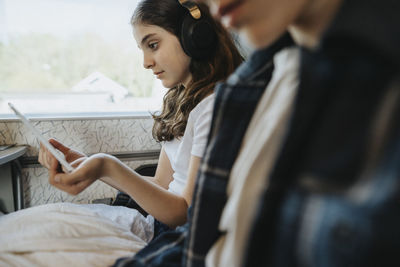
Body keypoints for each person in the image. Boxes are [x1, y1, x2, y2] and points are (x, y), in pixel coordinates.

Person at [113, 0, 400, 266]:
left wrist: (110, 168)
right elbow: (204, 236)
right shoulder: (247, 85)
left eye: (153, 44)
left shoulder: (376, 85)